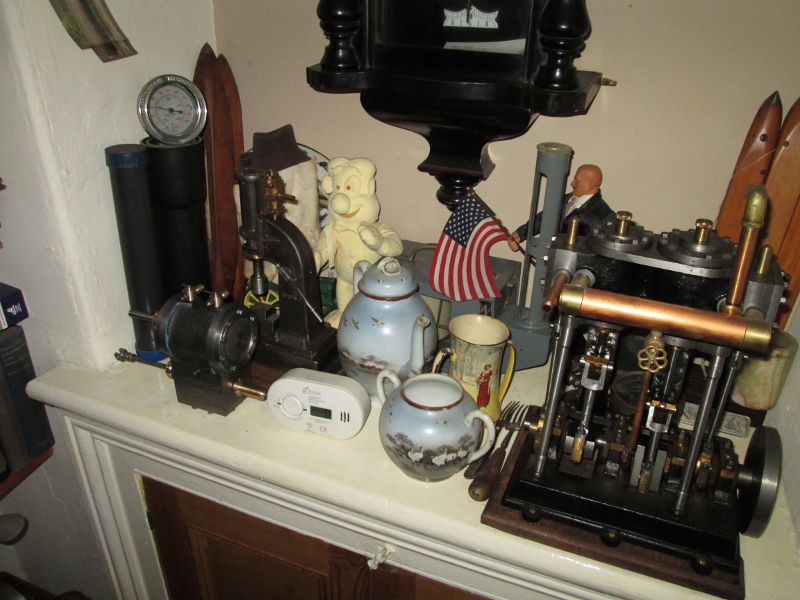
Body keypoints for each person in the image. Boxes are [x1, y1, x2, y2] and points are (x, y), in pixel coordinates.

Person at [508, 164, 614, 251]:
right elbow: (543, 219)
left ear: (591, 184)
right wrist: (520, 234)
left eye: (577, 180)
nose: (572, 183)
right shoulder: (565, 199)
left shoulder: (604, 215)